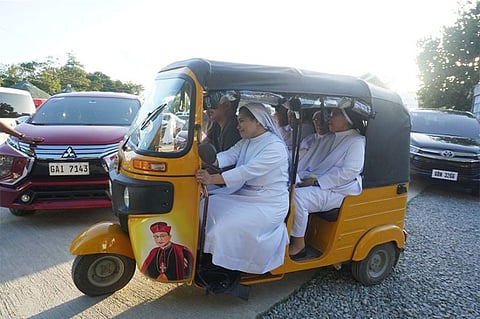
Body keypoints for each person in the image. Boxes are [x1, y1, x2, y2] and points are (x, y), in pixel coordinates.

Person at [195, 103, 290, 274]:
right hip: (245, 195)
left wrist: (211, 179)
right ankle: (206, 256)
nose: (238, 125)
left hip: (268, 203)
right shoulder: (247, 141)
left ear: (258, 122)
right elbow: (228, 156)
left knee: (223, 227)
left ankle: (227, 269)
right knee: (203, 207)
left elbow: (246, 171)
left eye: (242, 121)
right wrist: (203, 160)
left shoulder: (275, 147)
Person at [289, 101, 366, 260]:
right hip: (324, 184)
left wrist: (317, 182)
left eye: (336, 113)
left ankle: (299, 245)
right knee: (288, 187)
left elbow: (349, 172)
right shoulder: (334, 137)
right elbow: (320, 165)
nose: (330, 116)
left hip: (339, 190)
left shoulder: (356, 141)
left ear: (348, 119)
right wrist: (305, 177)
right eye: (331, 113)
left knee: (297, 198)